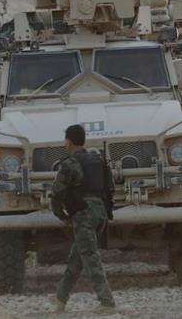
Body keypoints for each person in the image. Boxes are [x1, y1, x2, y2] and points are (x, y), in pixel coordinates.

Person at [49, 124, 115, 312]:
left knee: (90, 258)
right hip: (100, 213)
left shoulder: (69, 164)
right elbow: (110, 187)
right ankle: (60, 298)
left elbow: (56, 194)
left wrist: (61, 215)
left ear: (69, 142)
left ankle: (107, 302)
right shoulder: (98, 160)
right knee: (77, 258)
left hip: (83, 214)